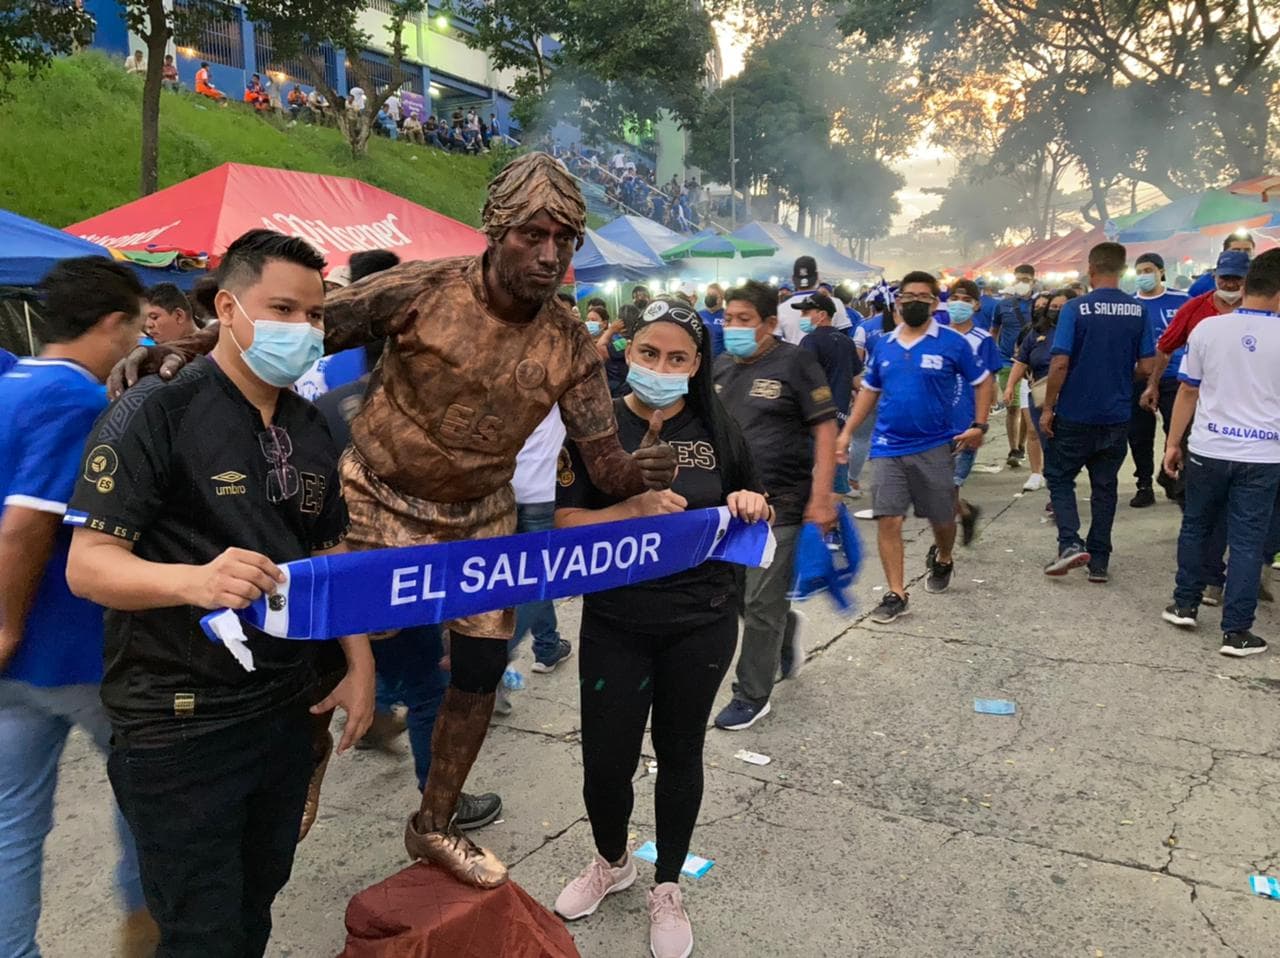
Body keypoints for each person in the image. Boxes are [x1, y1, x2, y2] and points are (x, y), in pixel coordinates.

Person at [108, 154, 677, 888]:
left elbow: (605, 462)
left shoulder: (570, 341)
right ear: (494, 230)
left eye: (565, 238)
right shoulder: (421, 290)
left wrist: (645, 472)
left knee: (478, 673)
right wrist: (187, 350)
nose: (549, 253)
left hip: (481, 521)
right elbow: (298, 338)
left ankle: (434, 823)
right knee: (320, 651)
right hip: (373, 500)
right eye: (533, 234)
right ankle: (307, 764)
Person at [65, 231, 375, 956]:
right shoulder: (155, 413)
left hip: (283, 714)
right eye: (283, 309)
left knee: (256, 904)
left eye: (314, 315)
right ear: (229, 308)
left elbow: (331, 554)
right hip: (180, 727)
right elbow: (89, 565)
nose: (302, 329)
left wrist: (359, 665)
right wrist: (194, 582)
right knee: (202, 934)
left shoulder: (310, 426)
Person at [553, 299, 769, 958]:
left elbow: (759, 509)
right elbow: (562, 524)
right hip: (616, 621)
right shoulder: (596, 429)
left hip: (700, 622)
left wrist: (751, 503)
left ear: (697, 365)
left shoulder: (720, 429)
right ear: (627, 351)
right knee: (605, 764)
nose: (661, 367)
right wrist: (629, 507)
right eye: (650, 352)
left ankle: (667, 885)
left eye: (678, 357)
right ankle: (612, 862)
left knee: (681, 755)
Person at [0, 258, 155, 958]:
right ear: (111, 324)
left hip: (18, 668)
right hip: (73, 651)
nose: (139, 344)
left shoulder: (12, 384)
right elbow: (26, 524)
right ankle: (148, 928)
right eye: (137, 327)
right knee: (147, 799)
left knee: (14, 822)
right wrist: (6, 627)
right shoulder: (79, 404)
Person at [712, 281, 838, 730]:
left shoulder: (796, 361)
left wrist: (822, 498)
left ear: (768, 323)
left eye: (744, 320)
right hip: (729, 507)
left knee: (760, 601)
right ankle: (784, 634)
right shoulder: (721, 366)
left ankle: (752, 694)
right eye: (728, 319)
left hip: (781, 503)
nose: (733, 327)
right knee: (741, 599)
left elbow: (825, 429)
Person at [836, 271, 993, 623]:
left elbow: (983, 383)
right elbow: (870, 391)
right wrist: (847, 432)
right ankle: (896, 592)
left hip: (936, 444)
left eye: (923, 297)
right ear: (898, 302)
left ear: (935, 303)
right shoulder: (885, 345)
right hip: (888, 445)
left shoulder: (953, 343)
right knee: (888, 518)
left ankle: (944, 558)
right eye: (908, 297)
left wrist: (979, 425)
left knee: (941, 516)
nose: (914, 303)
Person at [1161, 249, 1280, 656]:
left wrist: (1173, 442)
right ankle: (1236, 631)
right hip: (1263, 456)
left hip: (1208, 447)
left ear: (1246, 285)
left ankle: (1184, 603)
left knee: (1196, 525)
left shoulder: (1208, 330)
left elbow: (1188, 389)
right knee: (1247, 541)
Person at [1039, 243, 1154, 582]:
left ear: (1090, 270)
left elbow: (1059, 362)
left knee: (1059, 476)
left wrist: (1048, 407)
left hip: (1076, 412)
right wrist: (1118, 374)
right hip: (1117, 414)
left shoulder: (1076, 308)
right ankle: (1099, 561)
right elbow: (1147, 365)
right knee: (1105, 487)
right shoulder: (1138, 310)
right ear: (1122, 270)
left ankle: (1070, 542)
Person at [1128, 252, 1189, 507]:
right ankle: (1144, 484)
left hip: (1174, 377)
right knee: (1139, 434)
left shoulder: (1182, 301)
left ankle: (1173, 476)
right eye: (1139, 271)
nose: (1144, 276)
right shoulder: (1129, 305)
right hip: (1138, 376)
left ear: (1161, 272)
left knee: (1176, 431)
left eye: (1149, 270)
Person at [946, 279, 1003, 541]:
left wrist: (980, 422)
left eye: (966, 300)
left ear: (976, 305)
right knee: (937, 487)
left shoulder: (982, 340)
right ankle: (965, 511)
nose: (959, 304)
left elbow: (988, 380)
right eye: (955, 298)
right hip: (935, 422)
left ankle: (941, 553)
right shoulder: (937, 334)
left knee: (950, 486)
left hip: (966, 422)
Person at [1003, 289, 1075, 496]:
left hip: (1070, 394)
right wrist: (1010, 386)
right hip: (1040, 393)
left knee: (1065, 443)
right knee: (1042, 436)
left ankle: (1061, 486)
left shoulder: (1081, 331)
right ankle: (1049, 482)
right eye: (1053, 307)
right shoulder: (1036, 332)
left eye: (1062, 308)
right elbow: (1021, 360)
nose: (1057, 311)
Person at [796, 290, 863, 494]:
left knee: (809, 477)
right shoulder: (846, 342)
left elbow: (802, 379)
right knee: (837, 483)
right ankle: (839, 509)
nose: (803, 317)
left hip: (813, 417)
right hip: (839, 416)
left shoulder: (810, 341)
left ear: (822, 314)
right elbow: (856, 381)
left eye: (807, 312)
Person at [991, 264, 1037, 467]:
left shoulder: (1041, 304)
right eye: (1018, 279)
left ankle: (1021, 444)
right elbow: (994, 331)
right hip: (1005, 361)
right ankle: (1013, 448)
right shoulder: (1002, 305)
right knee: (1013, 406)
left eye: (1026, 279)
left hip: (1031, 363)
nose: (1022, 283)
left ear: (1034, 281)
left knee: (1027, 408)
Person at [1187, 232, 1256, 298]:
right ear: (1225, 252)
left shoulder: (1262, 280)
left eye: (1247, 250)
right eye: (1236, 250)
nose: (1242, 253)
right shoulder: (1203, 284)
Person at [698, 282, 726, 357]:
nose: (710, 297)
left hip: (721, 361)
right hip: (703, 360)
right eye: (708, 295)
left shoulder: (727, 316)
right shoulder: (698, 315)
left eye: (713, 295)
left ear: (721, 298)